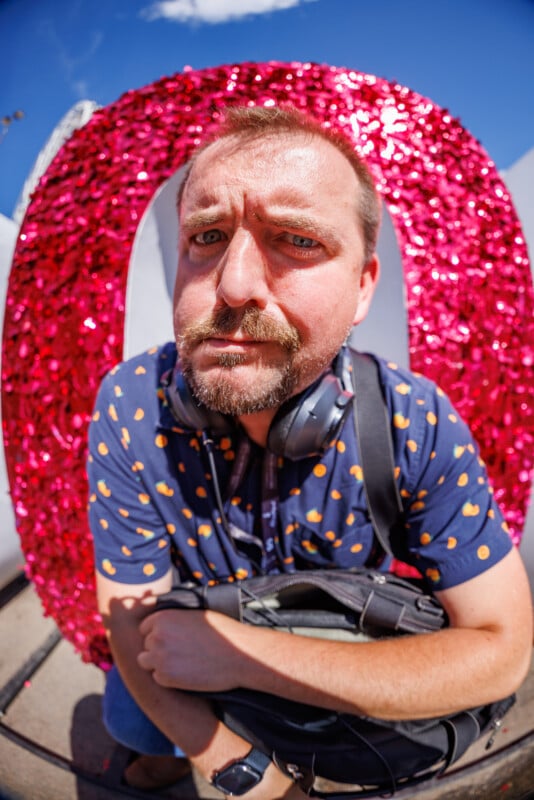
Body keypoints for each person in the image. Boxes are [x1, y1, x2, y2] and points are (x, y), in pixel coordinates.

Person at [88, 105, 533, 798]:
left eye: (295, 239)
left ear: (363, 289)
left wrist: (244, 660)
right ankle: (164, 758)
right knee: (131, 716)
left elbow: (500, 651)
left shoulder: (415, 422)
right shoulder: (130, 404)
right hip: (185, 656)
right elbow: (131, 619)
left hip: (314, 674)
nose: (232, 286)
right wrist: (248, 773)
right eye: (205, 236)